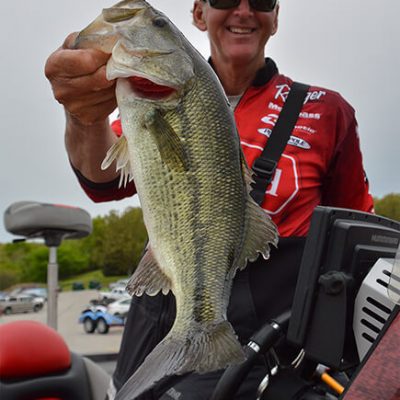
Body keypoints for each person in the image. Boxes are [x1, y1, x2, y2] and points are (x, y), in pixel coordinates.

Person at [45, 0, 374, 399]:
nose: (243, 11)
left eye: (261, 1)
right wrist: (84, 116)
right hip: (159, 333)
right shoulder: (150, 90)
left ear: (275, 17)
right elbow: (101, 180)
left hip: (274, 362)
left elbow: (356, 236)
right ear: (199, 14)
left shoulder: (328, 111)